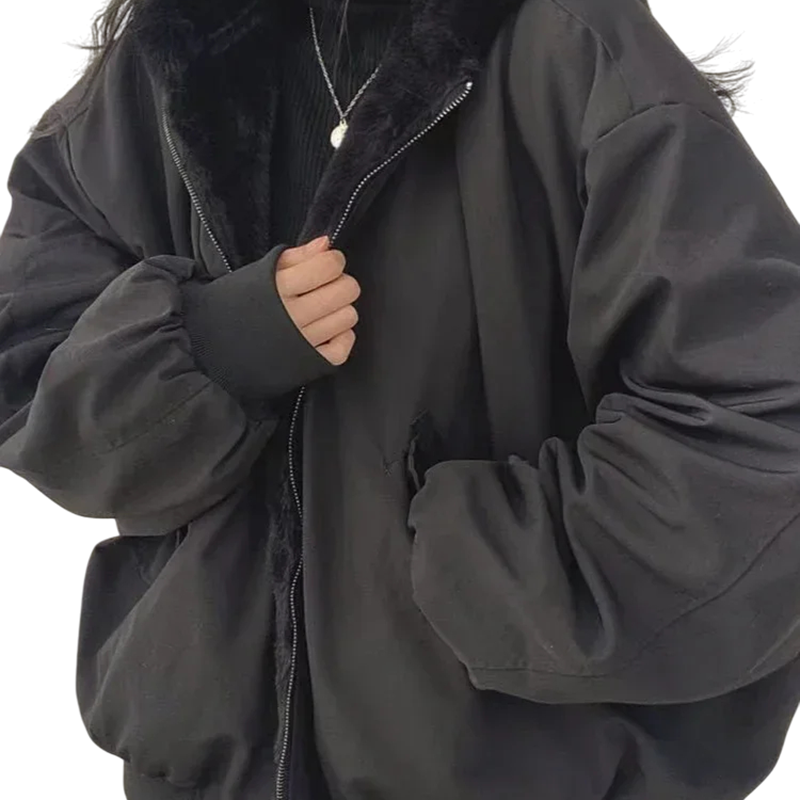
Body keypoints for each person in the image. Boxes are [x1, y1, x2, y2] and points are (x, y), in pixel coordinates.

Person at [1, 0, 799, 798]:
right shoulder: (168, 60)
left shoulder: (572, 49)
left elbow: (759, 429)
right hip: (207, 773)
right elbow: (26, 365)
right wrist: (209, 348)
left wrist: (470, 568)